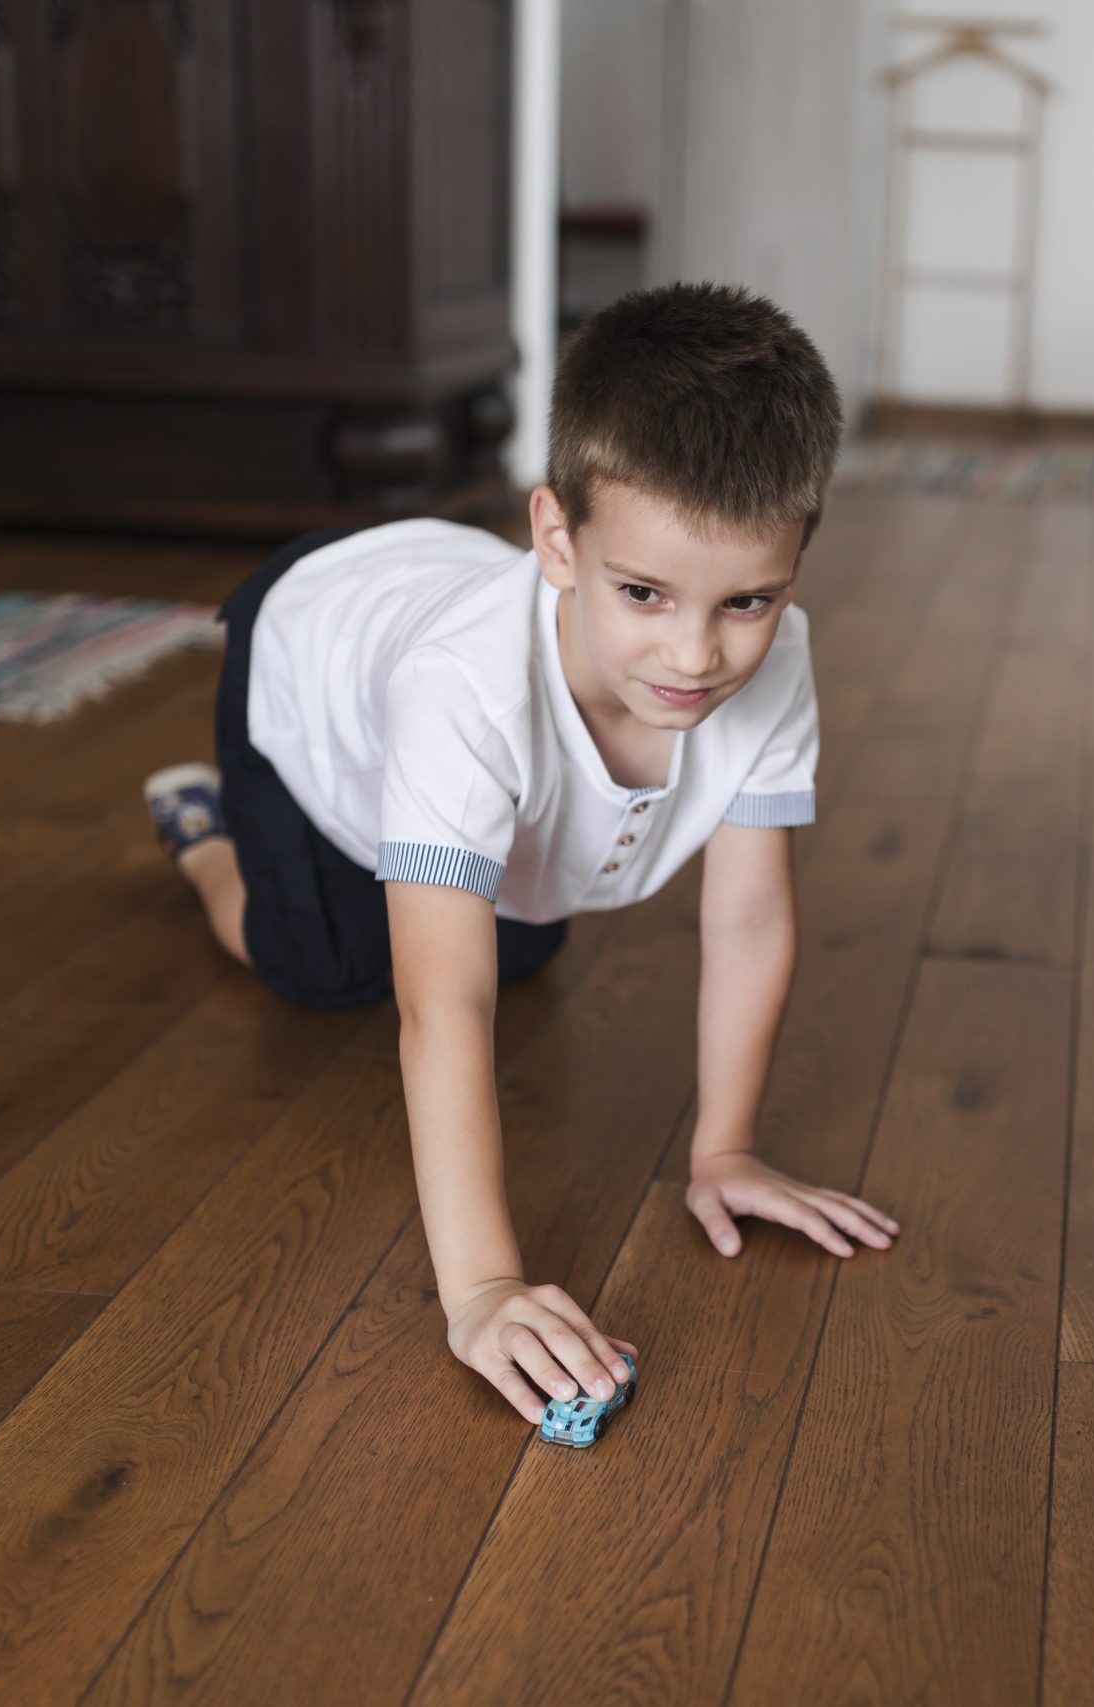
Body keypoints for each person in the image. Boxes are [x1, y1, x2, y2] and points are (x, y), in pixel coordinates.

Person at [141, 283, 898, 1422]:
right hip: (310, 656)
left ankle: (385, 841)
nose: (694, 654)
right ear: (556, 538)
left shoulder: (774, 659)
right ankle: (207, 833)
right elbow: (440, 1008)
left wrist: (725, 1147)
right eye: (642, 593)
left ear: (796, 562)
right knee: (322, 969)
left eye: (745, 600)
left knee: (525, 948)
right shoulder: (463, 692)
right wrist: (483, 1286)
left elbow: (746, 915)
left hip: (429, 622)